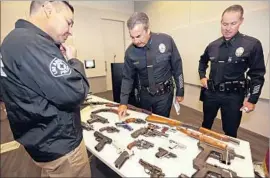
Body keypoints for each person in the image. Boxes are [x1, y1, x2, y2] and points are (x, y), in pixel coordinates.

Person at [0, 1, 91, 177]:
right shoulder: (33, 44)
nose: (70, 30)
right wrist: (73, 61)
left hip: (40, 141)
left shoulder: (11, 41)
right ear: (48, 9)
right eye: (69, 21)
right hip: (61, 145)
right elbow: (77, 91)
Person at [198, 4, 266, 138]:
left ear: (241, 21)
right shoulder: (213, 45)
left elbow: (257, 74)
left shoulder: (252, 44)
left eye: (233, 23)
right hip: (211, 93)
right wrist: (202, 76)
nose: (228, 28)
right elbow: (202, 61)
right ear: (221, 22)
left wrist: (252, 100)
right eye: (224, 24)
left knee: (230, 131)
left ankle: (227, 158)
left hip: (233, 96)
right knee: (205, 125)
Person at [118, 12, 184, 118]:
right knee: (145, 121)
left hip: (164, 95)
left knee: (161, 123)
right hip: (145, 95)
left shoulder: (166, 41)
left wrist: (180, 91)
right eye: (132, 37)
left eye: (138, 36)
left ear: (147, 30)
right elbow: (127, 78)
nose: (135, 41)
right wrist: (123, 103)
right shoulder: (130, 52)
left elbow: (177, 67)